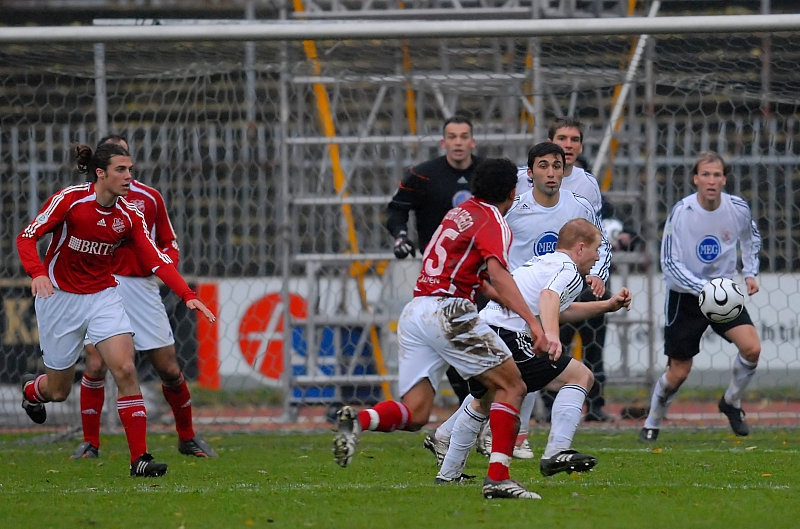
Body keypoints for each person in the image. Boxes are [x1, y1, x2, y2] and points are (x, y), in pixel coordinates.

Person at [334, 158, 561, 500]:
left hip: (417, 311)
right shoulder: (494, 220)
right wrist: (533, 322)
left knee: (416, 413)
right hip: (449, 311)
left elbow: (474, 275)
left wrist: (497, 299)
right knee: (513, 385)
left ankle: (359, 420)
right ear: (512, 193)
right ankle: (498, 478)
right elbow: (498, 273)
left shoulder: (459, 213)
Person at [17, 142, 216, 477]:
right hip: (60, 298)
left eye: (130, 170)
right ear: (101, 173)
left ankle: (140, 459)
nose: (128, 177)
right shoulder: (70, 200)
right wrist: (37, 273)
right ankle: (32, 391)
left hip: (102, 296)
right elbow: (26, 237)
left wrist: (186, 294)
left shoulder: (129, 214)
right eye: (121, 170)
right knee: (59, 391)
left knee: (125, 368)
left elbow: (156, 259)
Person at [428, 219, 631, 482]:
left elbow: (561, 308)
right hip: (507, 333)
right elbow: (549, 297)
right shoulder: (568, 269)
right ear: (580, 248)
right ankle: (557, 451)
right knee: (581, 376)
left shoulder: (544, 262)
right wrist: (552, 337)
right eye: (596, 249)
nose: (597, 257)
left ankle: (448, 474)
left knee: (483, 400)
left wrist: (607, 305)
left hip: (482, 328)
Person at [71, 135, 217, 460]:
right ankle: (90, 443)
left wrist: (164, 267)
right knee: (95, 363)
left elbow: (169, 242)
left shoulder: (149, 198)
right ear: (103, 166)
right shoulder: (83, 201)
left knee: (168, 367)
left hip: (142, 287)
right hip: (102, 286)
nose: (125, 167)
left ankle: (187, 437)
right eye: (117, 159)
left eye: (127, 158)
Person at [470, 141, 611, 457]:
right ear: (530, 173)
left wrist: (598, 274)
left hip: (545, 300)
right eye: (543, 166)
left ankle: (460, 440)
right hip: (510, 302)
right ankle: (531, 447)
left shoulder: (579, 206)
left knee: (512, 378)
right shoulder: (513, 209)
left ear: (564, 170)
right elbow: (489, 247)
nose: (551, 172)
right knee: (516, 377)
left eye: (556, 166)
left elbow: (602, 244)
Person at [639, 151, 762, 442]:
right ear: (695, 179)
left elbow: (751, 238)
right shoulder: (682, 212)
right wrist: (704, 288)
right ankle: (652, 421)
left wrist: (750, 272)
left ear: (724, 180)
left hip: (723, 294)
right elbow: (669, 263)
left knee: (752, 349)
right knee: (679, 372)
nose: (711, 180)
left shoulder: (737, 208)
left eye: (717, 175)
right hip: (685, 297)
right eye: (705, 174)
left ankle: (731, 402)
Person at [386, 115, 482, 404]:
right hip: (440, 278)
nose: (458, 142)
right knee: (450, 340)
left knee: (486, 335)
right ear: (443, 142)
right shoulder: (423, 175)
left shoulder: (486, 173)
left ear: (472, 141)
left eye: (463, 136)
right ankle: (469, 405)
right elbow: (396, 210)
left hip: (482, 273)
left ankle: (483, 407)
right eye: (452, 137)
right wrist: (401, 237)